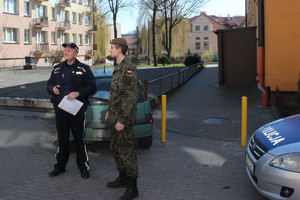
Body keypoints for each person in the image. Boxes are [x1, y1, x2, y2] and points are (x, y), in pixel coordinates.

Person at [47, 42, 96, 179]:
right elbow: (49, 84)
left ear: (75, 53)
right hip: (61, 109)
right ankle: (60, 166)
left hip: (76, 110)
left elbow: (92, 87)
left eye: (69, 50)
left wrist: (78, 93)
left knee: (79, 139)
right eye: (65, 50)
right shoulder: (57, 68)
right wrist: (53, 89)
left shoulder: (84, 69)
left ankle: (83, 168)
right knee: (62, 139)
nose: (66, 52)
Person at [105, 38, 139, 200]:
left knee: (127, 152)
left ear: (120, 50)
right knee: (116, 149)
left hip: (123, 120)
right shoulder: (118, 68)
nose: (110, 50)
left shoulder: (129, 68)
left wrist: (122, 120)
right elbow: (115, 95)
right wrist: (109, 111)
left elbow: (130, 97)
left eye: (112, 47)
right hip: (114, 116)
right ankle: (123, 178)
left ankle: (133, 188)